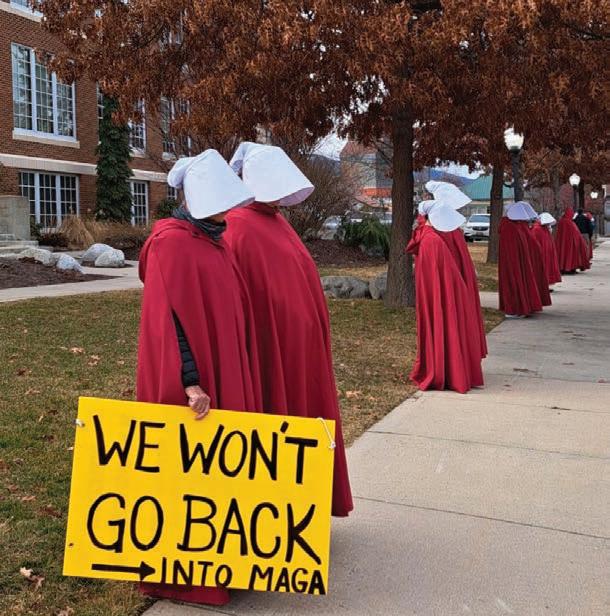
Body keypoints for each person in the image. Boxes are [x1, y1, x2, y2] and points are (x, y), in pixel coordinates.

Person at [137, 149, 262, 606]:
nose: (226, 212)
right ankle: (187, 571)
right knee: (190, 473)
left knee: (224, 467)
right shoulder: (170, 244)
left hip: (225, 366)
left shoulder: (214, 240)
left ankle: (229, 558)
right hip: (195, 379)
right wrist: (189, 380)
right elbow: (169, 322)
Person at [224, 142, 353, 518]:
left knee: (302, 416)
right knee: (280, 418)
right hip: (272, 345)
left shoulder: (274, 221)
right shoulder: (237, 226)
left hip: (300, 346)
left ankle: (301, 506)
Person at [406, 200, 484, 394]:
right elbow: (448, 277)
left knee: (439, 324)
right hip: (445, 297)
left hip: (437, 296)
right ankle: (447, 370)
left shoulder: (426, 237)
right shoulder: (432, 241)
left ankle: (443, 367)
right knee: (444, 323)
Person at [424, 181, 487, 359]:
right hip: (452, 281)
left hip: (454, 281)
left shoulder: (446, 229)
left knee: (454, 317)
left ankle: (456, 356)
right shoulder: (444, 229)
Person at [498, 202, 544, 318]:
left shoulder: (512, 226)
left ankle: (517, 307)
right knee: (515, 280)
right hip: (514, 262)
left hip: (514, 262)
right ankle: (517, 307)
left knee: (515, 280)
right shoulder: (513, 227)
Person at [555, 207, 590, 274]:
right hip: (570, 243)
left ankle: (563, 268)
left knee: (563, 254)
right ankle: (570, 268)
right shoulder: (570, 222)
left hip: (562, 243)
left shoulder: (561, 221)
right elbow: (576, 233)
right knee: (571, 255)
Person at [531, 213, 562, 288]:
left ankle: (546, 285)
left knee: (547, 269)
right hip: (542, 253)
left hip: (547, 253)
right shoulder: (537, 229)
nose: (549, 225)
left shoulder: (544, 228)